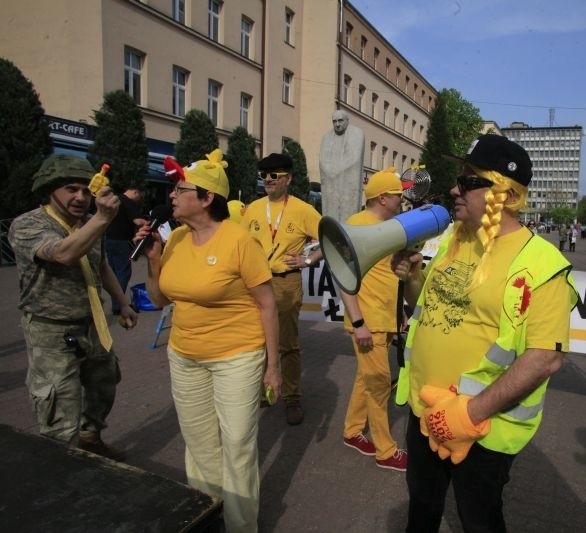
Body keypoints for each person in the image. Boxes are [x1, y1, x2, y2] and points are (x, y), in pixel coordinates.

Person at [392, 135, 577, 531]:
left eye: (471, 181)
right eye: (460, 178)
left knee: (479, 519)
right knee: (422, 506)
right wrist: (410, 279)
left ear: (506, 195)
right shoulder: (454, 241)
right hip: (426, 411)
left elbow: (545, 358)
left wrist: (468, 415)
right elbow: (423, 311)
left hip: (481, 427)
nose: (455, 188)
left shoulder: (543, 263)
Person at [138, 149, 280, 533]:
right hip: (184, 356)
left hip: (237, 355)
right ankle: (204, 514)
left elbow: (268, 305)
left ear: (206, 198)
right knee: (199, 444)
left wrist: (273, 367)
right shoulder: (177, 239)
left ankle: (239, 524)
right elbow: (159, 299)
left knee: (237, 443)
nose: (172, 195)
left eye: (180, 188)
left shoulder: (239, 241)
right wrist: (153, 261)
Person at [8, 154, 139, 461]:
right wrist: (102, 218)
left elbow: (101, 265)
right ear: (50, 189)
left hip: (91, 323)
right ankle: (59, 464)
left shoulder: (87, 225)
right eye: (70, 189)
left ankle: (90, 438)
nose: (80, 197)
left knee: (103, 383)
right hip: (51, 329)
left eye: (84, 190)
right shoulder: (28, 224)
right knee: (59, 402)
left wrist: (123, 303)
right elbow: (64, 254)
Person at [242, 153, 323, 425]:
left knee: (287, 344)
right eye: (264, 175)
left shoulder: (303, 209)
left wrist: (309, 259)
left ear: (288, 179)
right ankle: (265, 390)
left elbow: (332, 238)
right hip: (255, 282)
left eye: (274, 175)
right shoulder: (252, 208)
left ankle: (291, 397)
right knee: (257, 340)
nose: (267, 180)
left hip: (285, 280)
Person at [339, 168, 409, 472]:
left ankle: (352, 431)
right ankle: (385, 450)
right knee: (379, 384)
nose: (402, 200)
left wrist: (401, 312)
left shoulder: (388, 225)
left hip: (385, 318)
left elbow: (389, 275)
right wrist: (358, 323)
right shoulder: (356, 226)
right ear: (383, 198)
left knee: (365, 379)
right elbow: (345, 280)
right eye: (398, 195)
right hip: (368, 322)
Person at [105, 185, 146, 314]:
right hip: (122, 242)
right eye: (140, 196)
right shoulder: (128, 202)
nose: (140, 199)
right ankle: (119, 305)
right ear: (135, 191)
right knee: (123, 274)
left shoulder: (115, 199)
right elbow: (139, 221)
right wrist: (149, 223)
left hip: (108, 240)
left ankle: (116, 303)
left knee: (113, 274)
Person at [319, 109, 365, 221]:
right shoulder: (327, 137)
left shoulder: (357, 134)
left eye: (340, 121)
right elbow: (322, 159)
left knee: (348, 214)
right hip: (330, 182)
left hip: (347, 184)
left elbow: (355, 158)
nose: (337, 124)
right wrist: (329, 172)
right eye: (334, 121)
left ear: (347, 121)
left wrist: (337, 172)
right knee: (331, 211)